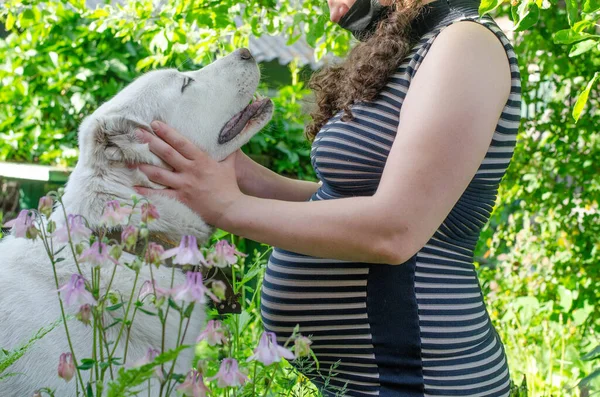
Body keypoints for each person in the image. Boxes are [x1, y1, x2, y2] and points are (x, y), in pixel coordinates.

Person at [132, 0, 521, 395]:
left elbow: (395, 229)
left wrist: (227, 206)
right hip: (369, 379)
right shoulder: (416, 51)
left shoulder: (466, 45)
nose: (333, 14)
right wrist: (244, 176)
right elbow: (344, 199)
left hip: (420, 380)